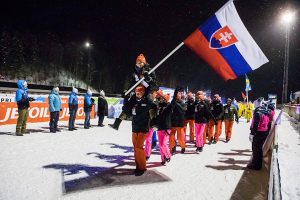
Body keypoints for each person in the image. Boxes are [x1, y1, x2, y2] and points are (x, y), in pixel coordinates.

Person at [109, 53, 158, 130]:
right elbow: (132, 84)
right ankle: (117, 123)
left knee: (150, 102)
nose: (138, 64)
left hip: (148, 90)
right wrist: (127, 91)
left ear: (144, 62)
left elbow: (155, 85)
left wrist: (149, 78)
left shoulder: (150, 70)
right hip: (139, 91)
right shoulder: (135, 72)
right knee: (128, 104)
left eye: (140, 62)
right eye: (137, 62)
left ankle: (154, 122)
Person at [121, 85, 155, 176]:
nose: (138, 94)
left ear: (143, 93)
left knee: (139, 147)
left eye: (139, 93)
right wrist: (125, 99)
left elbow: (152, 107)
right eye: (136, 93)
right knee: (135, 148)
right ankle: (138, 166)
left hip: (143, 128)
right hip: (134, 128)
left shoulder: (147, 101)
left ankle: (142, 167)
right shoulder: (134, 101)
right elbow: (126, 110)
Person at [247, 102, 270, 170]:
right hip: (264, 132)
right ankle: (258, 164)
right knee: (259, 149)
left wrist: (252, 133)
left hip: (258, 133)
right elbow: (268, 123)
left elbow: (255, 124)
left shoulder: (258, 113)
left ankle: (256, 165)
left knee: (255, 149)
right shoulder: (266, 112)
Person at [154, 90, 175, 165]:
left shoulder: (169, 107)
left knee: (163, 144)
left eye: (163, 99)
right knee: (160, 145)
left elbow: (173, 102)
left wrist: (175, 93)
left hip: (166, 128)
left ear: (166, 100)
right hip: (159, 127)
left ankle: (168, 155)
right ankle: (163, 159)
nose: (161, 99)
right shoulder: (159, 106)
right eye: (161, 98)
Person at [170, 87, 187, 154]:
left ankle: (183, 146)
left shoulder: (183, 102)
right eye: (177, 94)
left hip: (180, 123)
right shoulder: (173, 102)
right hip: (173, 122)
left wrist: (176, 103)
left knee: (180, 138)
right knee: (171, 137)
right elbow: (171, 107)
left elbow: (182, 110)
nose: (178, 96)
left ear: (181, 95)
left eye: (179, 94)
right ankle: (173, 148)